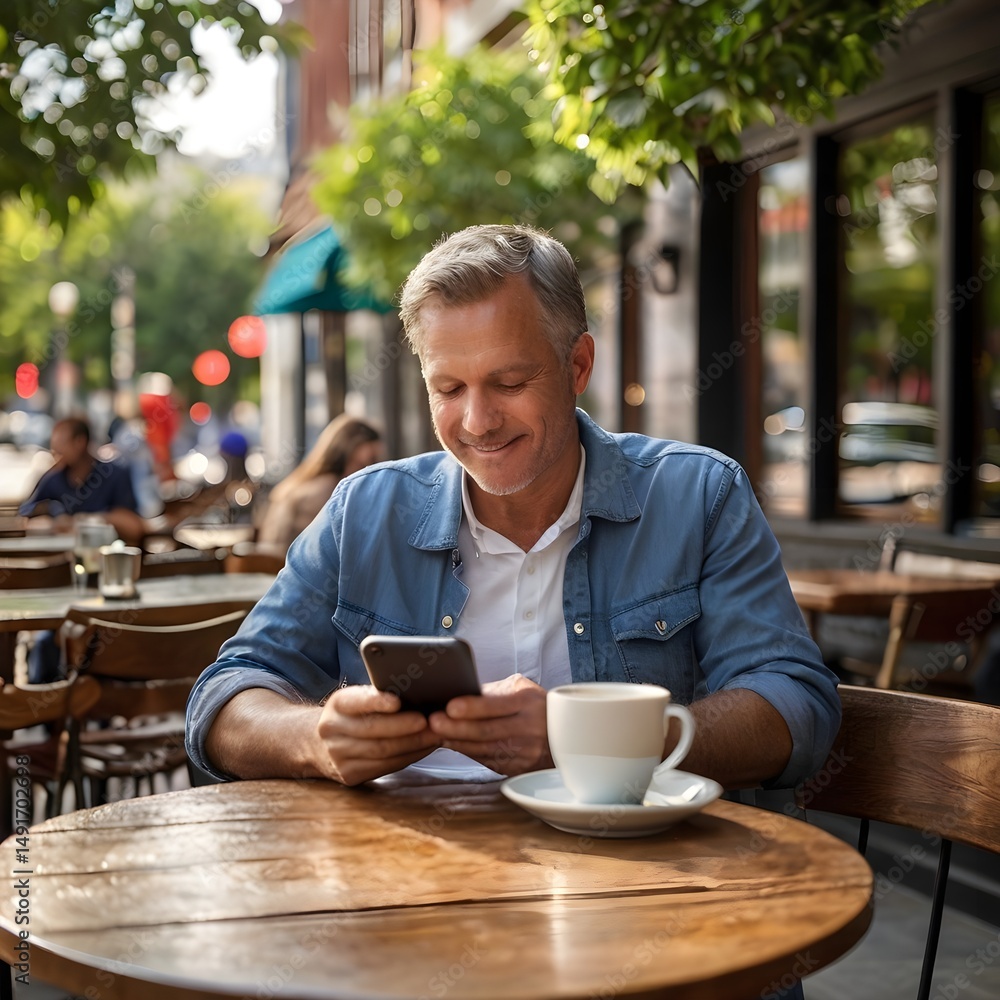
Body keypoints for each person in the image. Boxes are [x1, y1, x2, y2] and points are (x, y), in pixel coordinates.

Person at [187, 224, 840, 795]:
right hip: (396, 888)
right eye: (449, 388)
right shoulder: (365, 509)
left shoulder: (700, 498)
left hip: (635, 891)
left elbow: (794, 709)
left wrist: (583, 739)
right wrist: (315, 738)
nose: (478, 421)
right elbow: (223, 698)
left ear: (577, 364)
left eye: (509, 382)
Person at [257, 415, 383, 555]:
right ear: (343, 456)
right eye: (363, 464)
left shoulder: (301, 486)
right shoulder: (326, 491)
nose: (369, 474)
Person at [19, 416, 145, 546]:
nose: (56, 453)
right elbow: (25, 515)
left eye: (61, 445)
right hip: (60, 557)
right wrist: (53, 516)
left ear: (80, 442)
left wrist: (89, 520)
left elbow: (134, 527)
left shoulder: (113, 475)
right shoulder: (53, 479)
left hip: (104, 554)